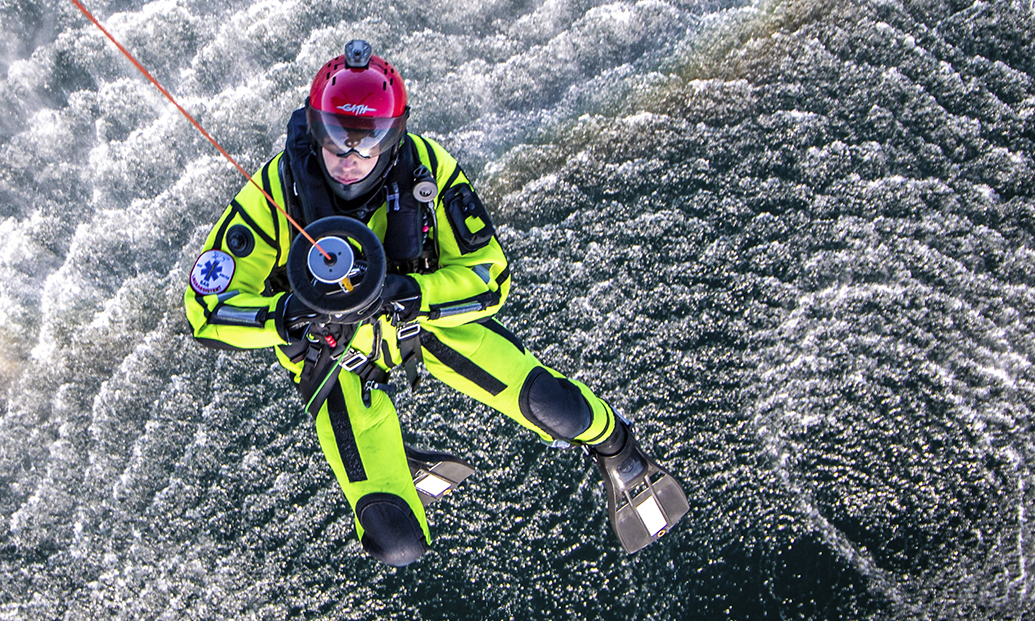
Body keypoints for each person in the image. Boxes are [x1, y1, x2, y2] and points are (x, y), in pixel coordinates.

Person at [182, 40, 687, 566]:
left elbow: (491, 275)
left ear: (394, 136)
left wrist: (415, 294)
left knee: (555, 407)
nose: (349, 159)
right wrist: (281, 316)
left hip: (419, 325)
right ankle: (396, 463)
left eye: (368, 140)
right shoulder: (273, 191)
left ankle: (620, 453)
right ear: (314, 127)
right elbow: (205, 308)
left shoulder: (427, 171)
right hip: (329, 358)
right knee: (396, 542)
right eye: (335, 138)